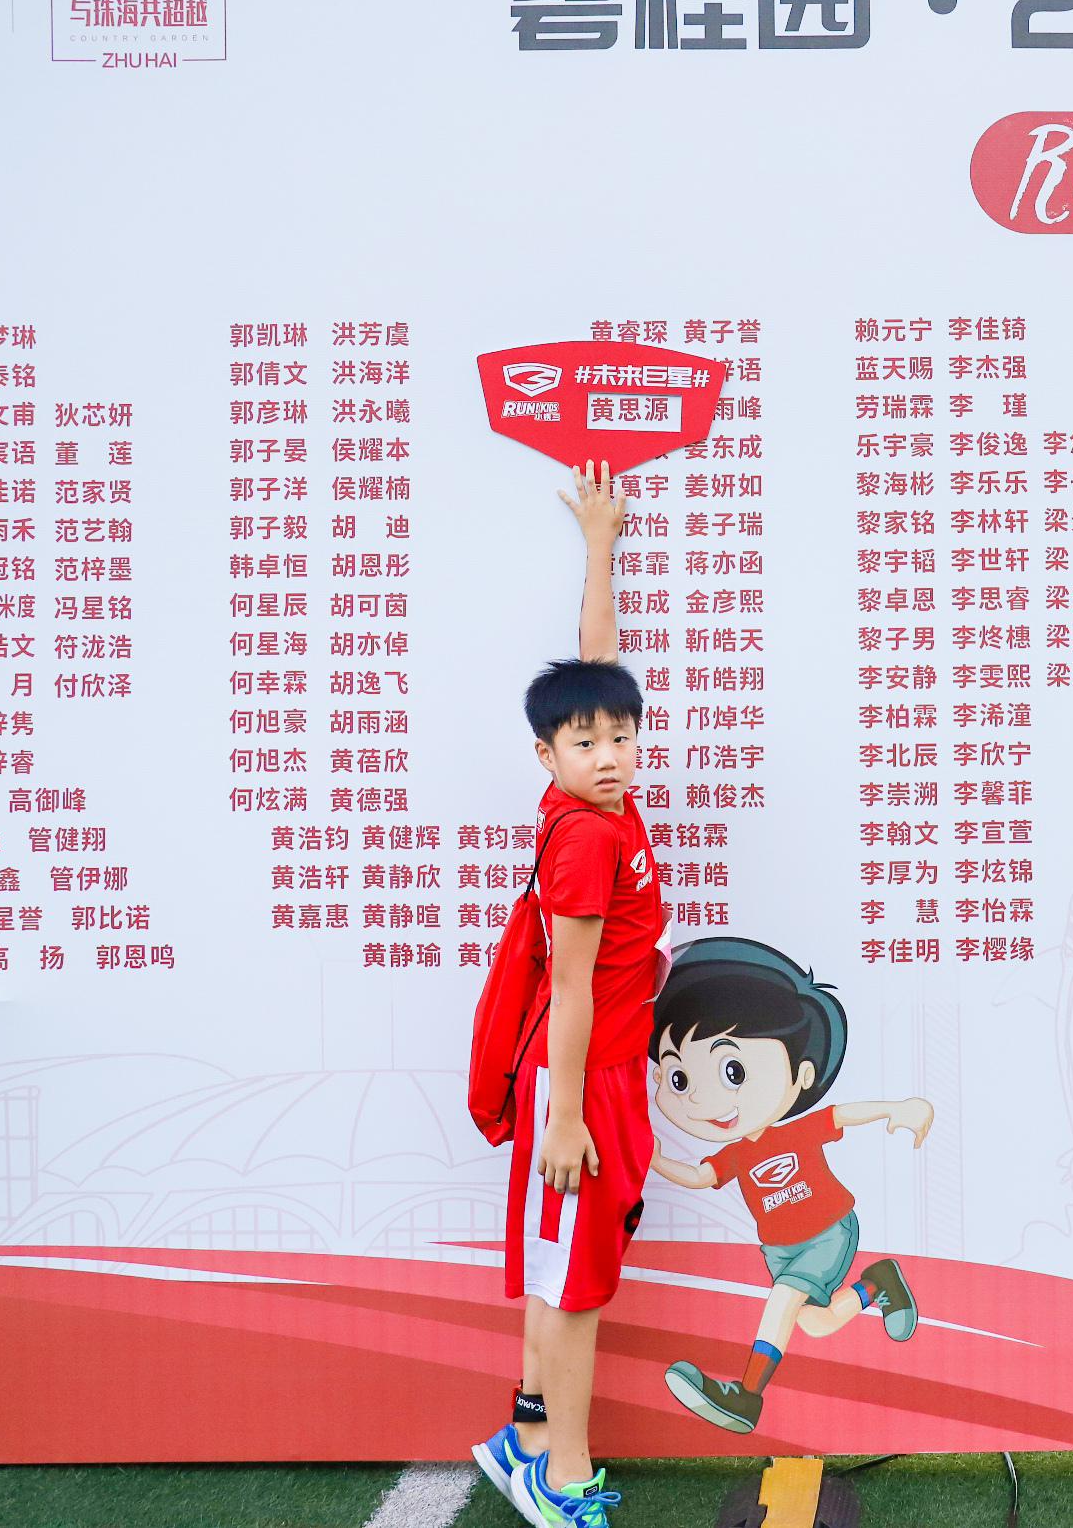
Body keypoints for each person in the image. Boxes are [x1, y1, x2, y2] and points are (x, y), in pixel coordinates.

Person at [473, 463, 661, 1528]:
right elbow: (575, 985)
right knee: (576, 1288)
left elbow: (598, 661)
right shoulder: (587, 837)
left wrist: (600, 542)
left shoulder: (602, 802)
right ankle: (563, 1476)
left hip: (598, 1074)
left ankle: (528, 1435)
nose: (610, 754)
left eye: (622, 736)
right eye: (586, 744)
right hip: (582, 1079)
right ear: (546, 755)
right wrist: (567, 1117)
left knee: (563, 1270)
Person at [645, 938, 933, 1435]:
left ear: (801, 1075)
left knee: (781, 1301)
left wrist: (896, 1109)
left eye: (732, 1070)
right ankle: (879, 1283)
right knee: (816, 1324)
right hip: (779, 1248)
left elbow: (843, 1114)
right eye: (679, 1079)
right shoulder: (735, 1153)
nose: (702, 1098)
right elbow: (697, 1176)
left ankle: (745, 1396)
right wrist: (650, 1157)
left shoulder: (795, 1131)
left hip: (828, 1232)